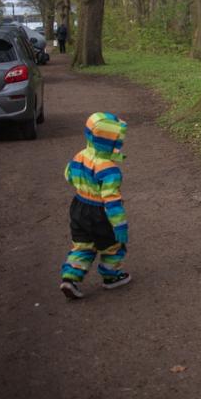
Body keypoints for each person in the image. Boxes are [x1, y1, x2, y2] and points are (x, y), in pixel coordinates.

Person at [59, 112, 131, 299]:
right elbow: (111, 200)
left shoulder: (80, 156)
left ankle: (70, 278)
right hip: (100, 213)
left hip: (79, 207)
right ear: (112, 143)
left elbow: (68, 175)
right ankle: (111, 276)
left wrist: (84, 185)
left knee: (82, 246)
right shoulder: (109, 169)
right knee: (112, 246)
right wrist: (120, 224)